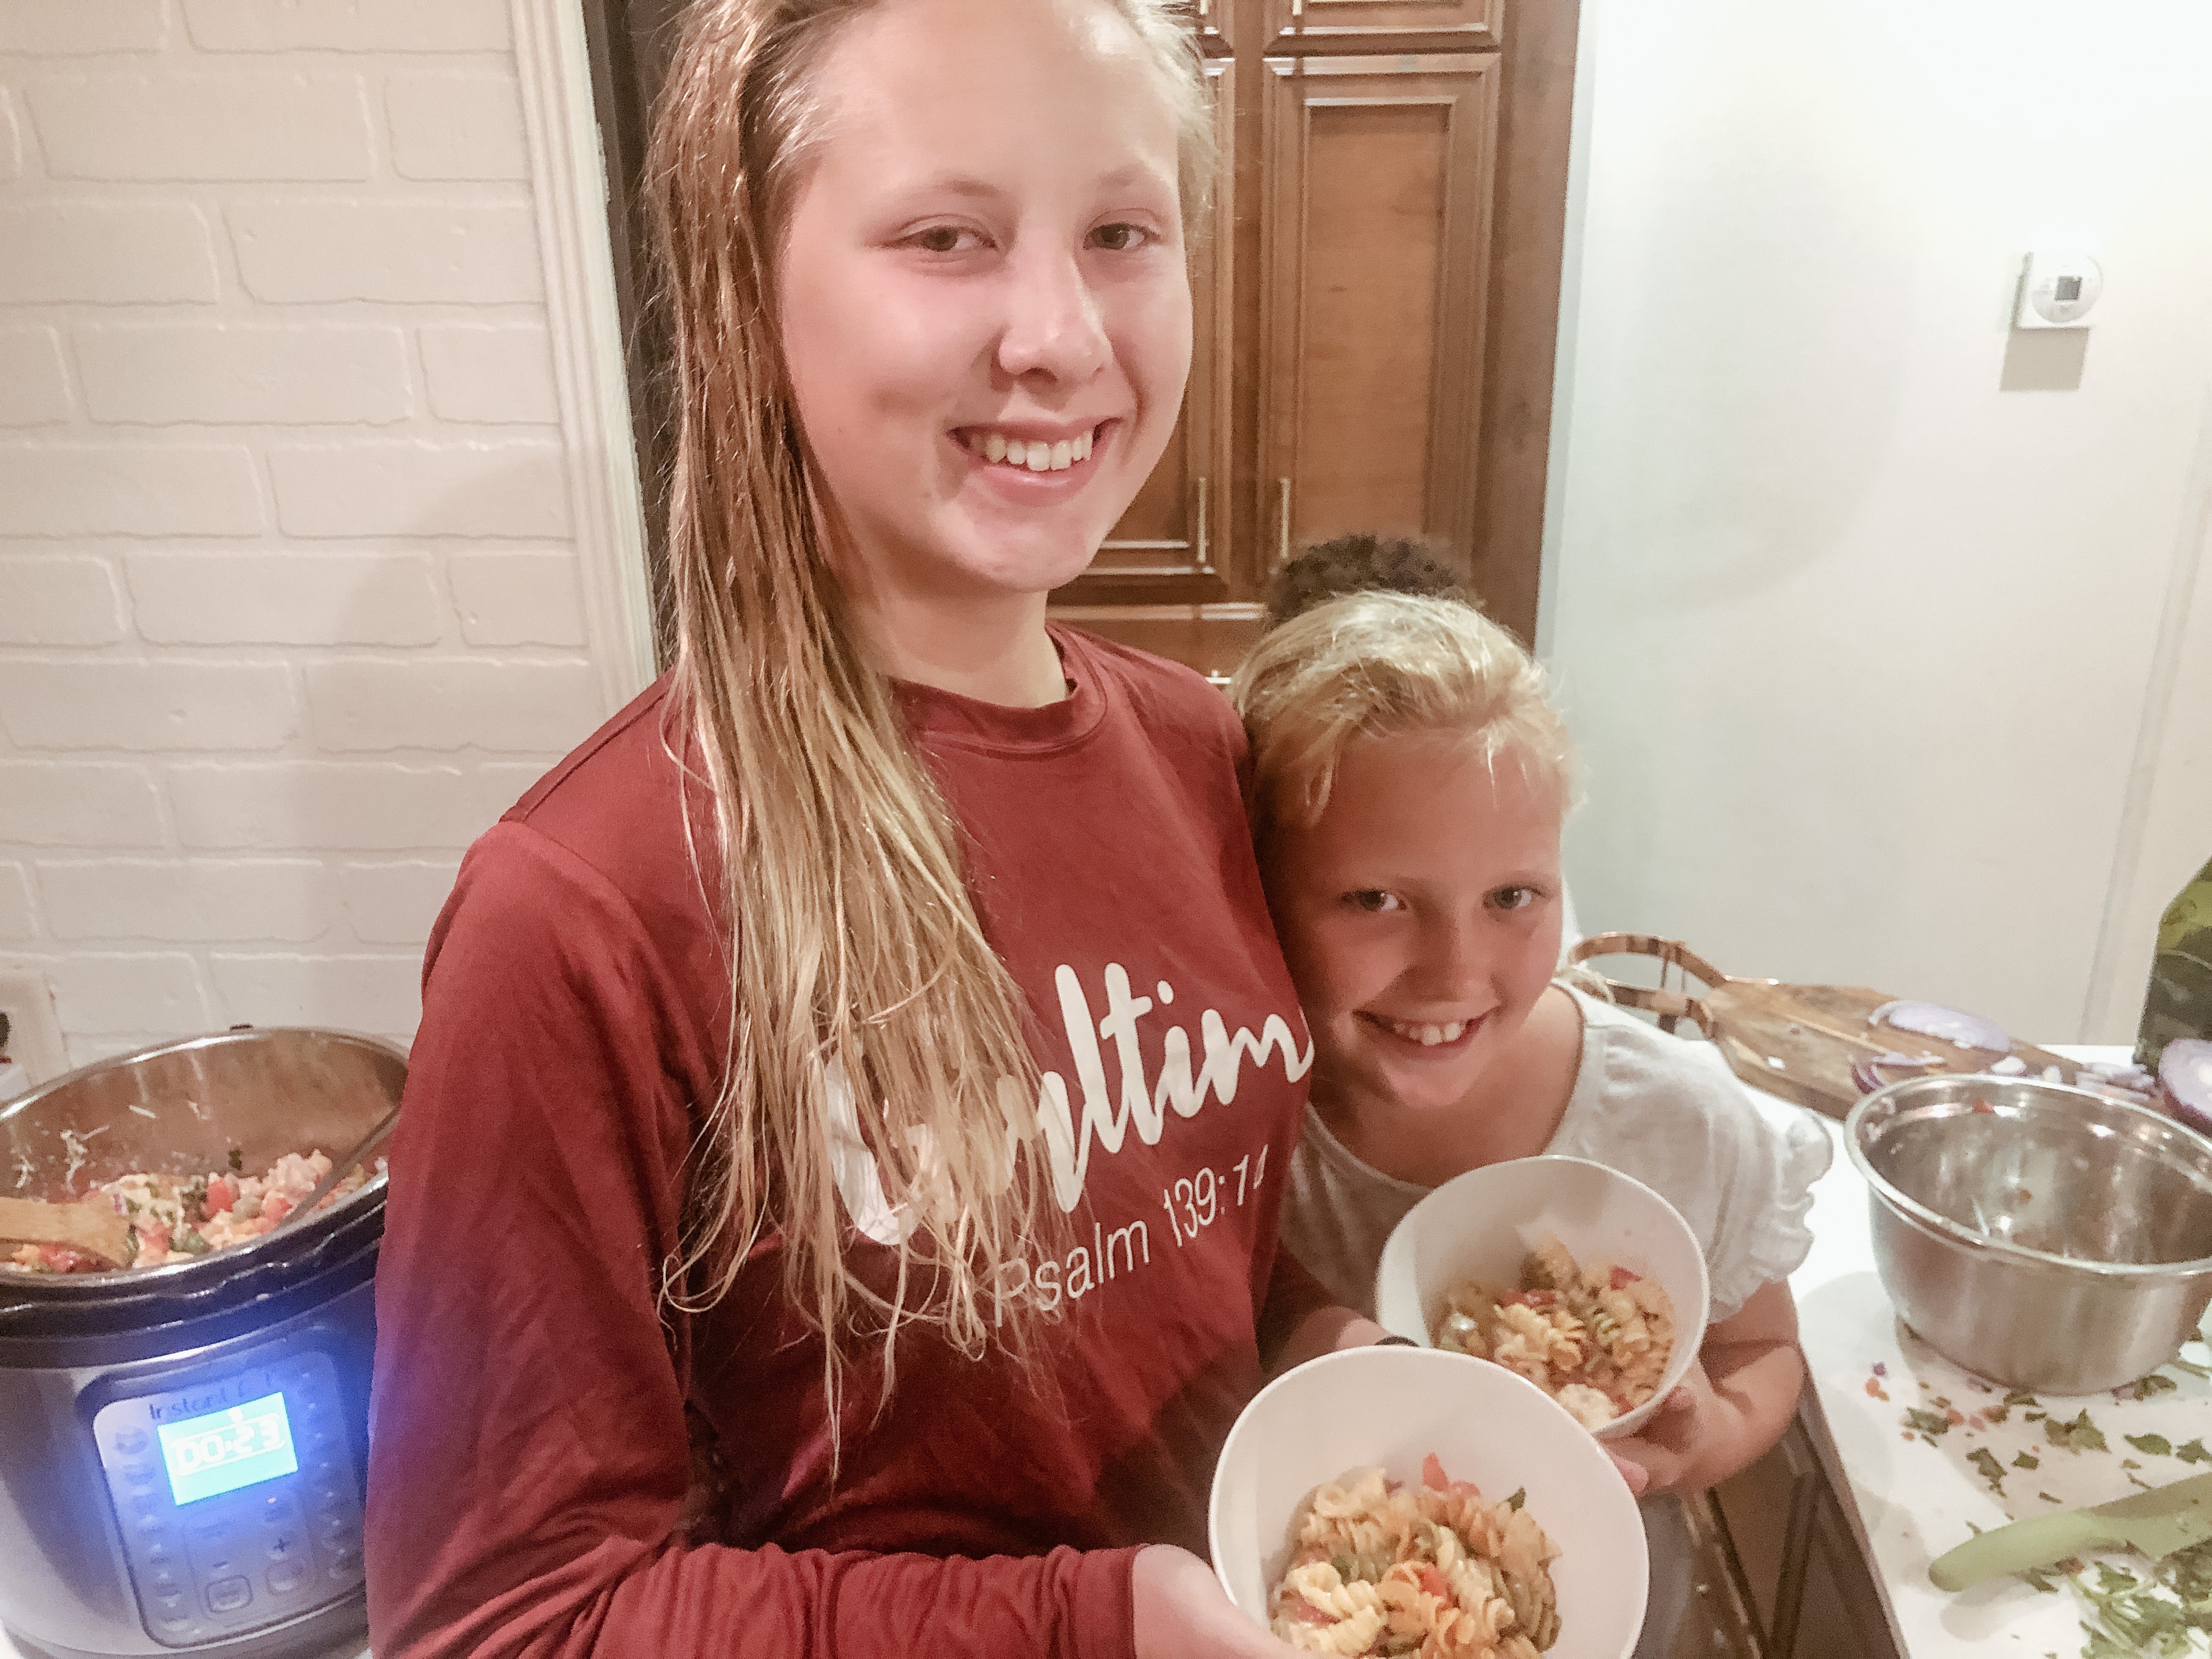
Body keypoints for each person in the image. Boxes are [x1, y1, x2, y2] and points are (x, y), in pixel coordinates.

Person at [363, 2, 1386, 1655]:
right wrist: (1095, 1628)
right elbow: (506, 1621)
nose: (1059, 333)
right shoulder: (586, 910)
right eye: (946, 237)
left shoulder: (1206, 752)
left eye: (1123, 230)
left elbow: (1185, 1260)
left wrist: (1330, 1351)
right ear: (748, 288)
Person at [1231, 588, 1832, 1659]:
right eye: (1374, 900)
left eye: (1514, 898)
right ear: (1258, 891)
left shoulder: (1679, 1125)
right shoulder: (1227, 1124)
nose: (1454, 973)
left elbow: (1765, 1345)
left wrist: (1708, 1442)